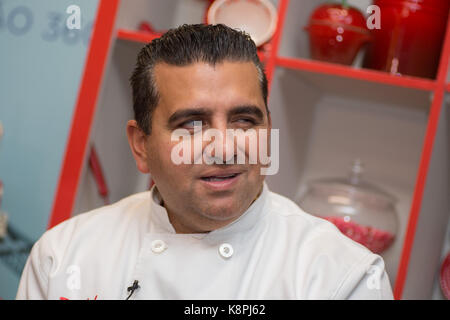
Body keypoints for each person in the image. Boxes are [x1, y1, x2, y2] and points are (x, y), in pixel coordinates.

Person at [16, 24, 393, 300]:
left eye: (244, 120)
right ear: (141, 145)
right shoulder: (63, 257)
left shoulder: (343, 278)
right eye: (191, 125)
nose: (224, 148)